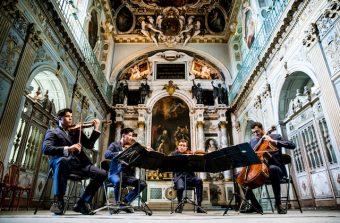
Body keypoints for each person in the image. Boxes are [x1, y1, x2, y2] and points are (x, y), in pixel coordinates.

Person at [42, 108, 107, 215]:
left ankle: (82, 203)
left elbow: (89, 145)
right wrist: (68, 148)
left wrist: (96, 128)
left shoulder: (76, 131)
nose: (70, 119)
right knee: (62, 161)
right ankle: (58, 201)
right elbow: (46, 149)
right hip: (61, 162)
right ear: (60, 118)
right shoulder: (52, 132)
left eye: (71, 117)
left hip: (79, 164)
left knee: (102, 174)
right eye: (68, 116)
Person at [240, 122, 296, 214]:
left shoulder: (275, 136)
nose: (256, 134)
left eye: (257, 131)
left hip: (276, 168)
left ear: (262, 129)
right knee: (240, 177)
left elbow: (292, 145)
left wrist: (274, 141)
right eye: (253, 132)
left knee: (273, 169)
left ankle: (278, 204)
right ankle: (255, 206)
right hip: (259, 170)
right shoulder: (253, 142)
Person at [105, 128, 147, 212]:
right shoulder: (114, 145)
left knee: (142, 184)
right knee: (117, 181)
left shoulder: (130, 148)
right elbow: (107, 155)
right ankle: (118, 204)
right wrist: (120, 153)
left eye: (132, 136)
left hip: (125, 175)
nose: (131, 138)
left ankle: (124, 203)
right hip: (114, 174)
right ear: (123, 135)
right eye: (130, 135)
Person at [171, 139, 205, 213]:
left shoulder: (190, 155)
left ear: (186, 147)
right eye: (181, 145)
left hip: (190, 177)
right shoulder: (174, 155)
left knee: (199, 180)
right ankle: (180, 204)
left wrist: (194, 156)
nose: (182, 147)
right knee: (180, 187)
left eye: (184, 146)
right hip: (179, 177)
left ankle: (199, 205)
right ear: (178, 146)